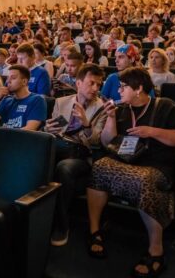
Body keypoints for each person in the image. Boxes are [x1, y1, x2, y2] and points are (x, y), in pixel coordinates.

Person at [88, 67, 175, 276]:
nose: (119, 91)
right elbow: (107, 142)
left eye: (123, 87)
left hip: (155, 165)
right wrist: (111, 118)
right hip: (125, 160)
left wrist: (151, 131)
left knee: (145, 179)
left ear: (138, 88)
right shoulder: (122, 109)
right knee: (99, 167)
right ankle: (94, 230)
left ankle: (156, 251)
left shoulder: (166, 106)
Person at [44, 64, 107, 246]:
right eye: (91, 83)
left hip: (82, 154)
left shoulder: (102, 108)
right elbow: (56, 130)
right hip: (60, 145)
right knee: (39, 151)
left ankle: (62, 225)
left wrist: (86, 125)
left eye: (98, 84)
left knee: (64, 167)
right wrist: (47, 129)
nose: (95, 88)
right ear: (78, 83)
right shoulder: (61, 102)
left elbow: (97, 143)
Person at [0, 65, 46, 131]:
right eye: (8, 78)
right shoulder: (6, 100)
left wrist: (3, 134)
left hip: (16, 137)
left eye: (13, 78)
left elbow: (30, 129)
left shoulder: (37, 100)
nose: (8, 81)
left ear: (24, 82)